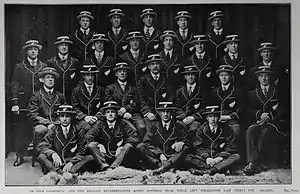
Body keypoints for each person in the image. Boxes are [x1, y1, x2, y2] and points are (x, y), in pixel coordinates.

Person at [243, 66, 287, 175]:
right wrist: (259, 114)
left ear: (270, 77)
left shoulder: (278, 92)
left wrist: (271, 115)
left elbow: (284, 108)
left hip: (274, 123)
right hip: (258, 122)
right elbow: (247, 110)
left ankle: (256, 164)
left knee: (265, 133)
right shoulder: (252, 93)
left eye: (267, 76)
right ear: (258, 78)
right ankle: (251, 162)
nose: (264, 78)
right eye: (261, 76)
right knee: (250, 131)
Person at [10, 39, 47, 166]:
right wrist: (15, 102)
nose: (33, 51)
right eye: (30, 49)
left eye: (35, 49)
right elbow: (14, 84)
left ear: (38, 51)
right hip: (24, 103)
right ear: (26, 52)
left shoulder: (44, 66)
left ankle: (40, 156)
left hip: (39, 104)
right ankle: (20, 156)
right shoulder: (19, 67)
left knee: (40, 130)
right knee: (22, 130)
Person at [37, 105, 93, 175]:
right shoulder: (53, 130)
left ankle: (65, 173)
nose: (64, 119)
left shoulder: (78, 130)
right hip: (57, 162)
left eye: (67, 116)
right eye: (62, 116)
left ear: (71, 117)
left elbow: (82, 150)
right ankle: (60, 172)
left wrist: (71, 162)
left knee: (90, 157)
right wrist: (53, 154)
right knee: (41, 157)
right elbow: (42, 146)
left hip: (72, 160)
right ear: (59, 118)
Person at [137, 102, 189, 175]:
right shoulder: (154, 126)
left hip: (173, 157)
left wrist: (182, 142)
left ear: (171, 113)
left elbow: (187, 141)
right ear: (159, 113)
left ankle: (166, 166)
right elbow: (147, 142)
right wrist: (160, 154)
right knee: (141, 146)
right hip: (158, 157)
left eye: (168, 111)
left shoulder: (179, 125)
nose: (165, 114)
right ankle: (162, 166)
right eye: (163, 111)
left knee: (185, 147)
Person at [186, 105, 240, 175]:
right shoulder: (201, 129)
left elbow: (231, 145)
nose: (213, 119)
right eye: (210, 116)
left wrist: (220, 158)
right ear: (207, 118)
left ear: (219, 117)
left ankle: (209, 171)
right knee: (187, 157)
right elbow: (197, 146)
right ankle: (217, 168)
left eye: (215, 116)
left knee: (236, 156)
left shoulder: (226, 128)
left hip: (219, 157)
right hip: (206, 158)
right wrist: (207, 158)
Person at [86, 101, 139, 171]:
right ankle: (104, 166)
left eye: (112, 112)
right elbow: (88, 136)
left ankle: (114, 167)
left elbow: (133, 137)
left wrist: (122, 147)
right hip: (104, 155)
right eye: (108, 112)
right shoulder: (100, 124)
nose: (110, 114)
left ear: (116, 114)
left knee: (128, 146)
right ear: (104, 115)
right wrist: (99, 145)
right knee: (91, 145)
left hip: (120, 155)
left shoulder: (123, 123)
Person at [27, 67, 66, 152]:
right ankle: (41, 153)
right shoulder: (36, 95)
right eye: (47, 77)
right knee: (40, 130)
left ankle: (60, 153)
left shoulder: (59, 95)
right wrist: (47, 123)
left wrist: (58, 122)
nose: (50, 80)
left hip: (57, 122)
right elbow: (32, 114)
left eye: (52, 78)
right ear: (42, 80)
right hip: (42, 124)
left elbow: (64, 112)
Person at [105, 62, 146, 140]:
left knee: (141, 127)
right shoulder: (110, 88)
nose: (122, 73)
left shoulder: (133, 88)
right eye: (119, 71)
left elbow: (137, 103)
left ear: (127, 73)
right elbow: (109, 104)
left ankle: (139, 146)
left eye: (124, 71)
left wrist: (127, 108)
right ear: (116, 74)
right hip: (117, 115)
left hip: (133, 113)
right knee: (131, 129)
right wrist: (122, 112)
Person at [137, 54, 174, 138]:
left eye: (157, 64)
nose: (155, 66)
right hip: (149, 114)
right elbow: (141, 98)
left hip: (164, 113)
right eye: (152, 64)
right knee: (148, 130)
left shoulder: (166, 79)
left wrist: (164, 112)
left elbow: (170, 97)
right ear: (149, 67)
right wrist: (147, 112)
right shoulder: (142, 80)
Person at [206, 65, 243, 138]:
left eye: (226, 75)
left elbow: (241, 108)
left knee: (236, 129)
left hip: (231, 120)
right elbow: (209, 108)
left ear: (230, 77)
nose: (223, 77)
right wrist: (217, 117)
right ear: (219, 77)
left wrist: (229, 117)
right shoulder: (214, 92)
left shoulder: (238, 91)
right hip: (216, 119)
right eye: (221, 75)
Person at [71, 63, 105, 132]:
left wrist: (96, 117)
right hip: (82, 119)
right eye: (87, 75)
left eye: (92, 75)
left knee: (99, 127)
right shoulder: (76, 90)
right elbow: (75, 107)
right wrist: (85, 117)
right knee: (86, 128)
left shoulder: (100, 89)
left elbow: (104, 106)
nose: (90, 78)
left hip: (96, 118)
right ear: (83, 76)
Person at [175, 66, 205, 142]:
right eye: (188, 75)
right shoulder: (179, 91)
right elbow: (177, 107)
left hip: (195, 119)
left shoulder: (202, 90)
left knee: (194, 128)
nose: (190, 77)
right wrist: (184, 117)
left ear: (196, 76)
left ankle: (193, 150)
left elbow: (204, 108)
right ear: (185, 77)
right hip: (183, 119)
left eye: (192, 74)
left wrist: (194, 117)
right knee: (177, 127)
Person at [47, 36, 80, 103]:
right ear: (57, 47)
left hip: (72, 97)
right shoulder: (51, 62)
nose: (64, 47)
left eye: (66, 45)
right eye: (61, 45)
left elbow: (79, 80)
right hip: (56, 98)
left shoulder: (75, 62)